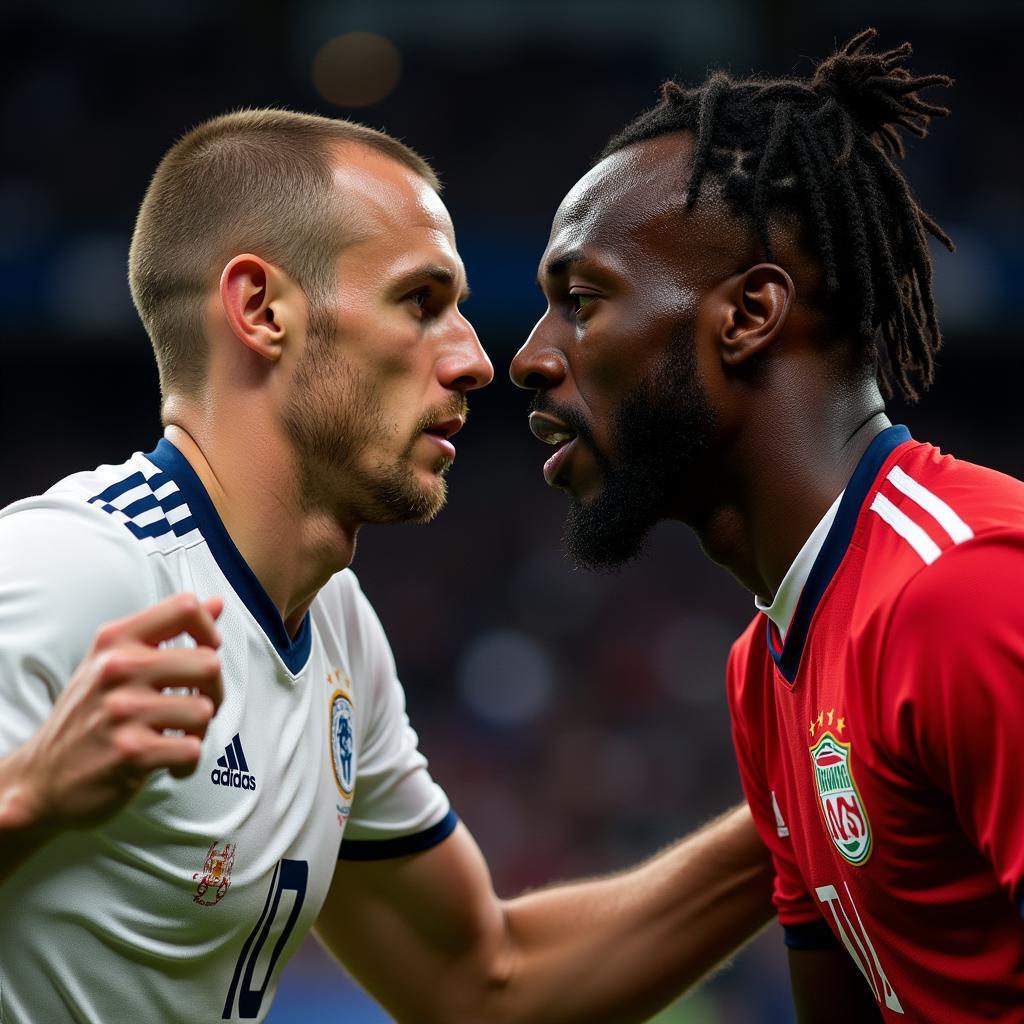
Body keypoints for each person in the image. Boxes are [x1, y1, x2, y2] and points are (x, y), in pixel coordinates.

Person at [0, 109, 774, 1024]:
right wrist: (25, 798)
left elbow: (483, 984)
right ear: (261, 310)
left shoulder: (334, 628)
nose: (477, 361)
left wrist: (793, 813)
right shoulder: (71, 572)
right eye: (421, 303)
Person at [511, 28, 1024, 1023]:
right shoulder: (766, 665)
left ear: (747, 315)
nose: (530, 357)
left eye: (581, 300)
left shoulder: (968, 589)